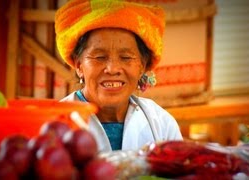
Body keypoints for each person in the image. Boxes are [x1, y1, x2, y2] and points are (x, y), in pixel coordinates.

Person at [55, 0, 183, 152]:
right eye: (100, 57)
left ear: (142, 66)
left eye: (126, 57)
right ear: (79, 66)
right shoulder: (56, 125)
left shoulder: (161, 124)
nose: (112, 69)